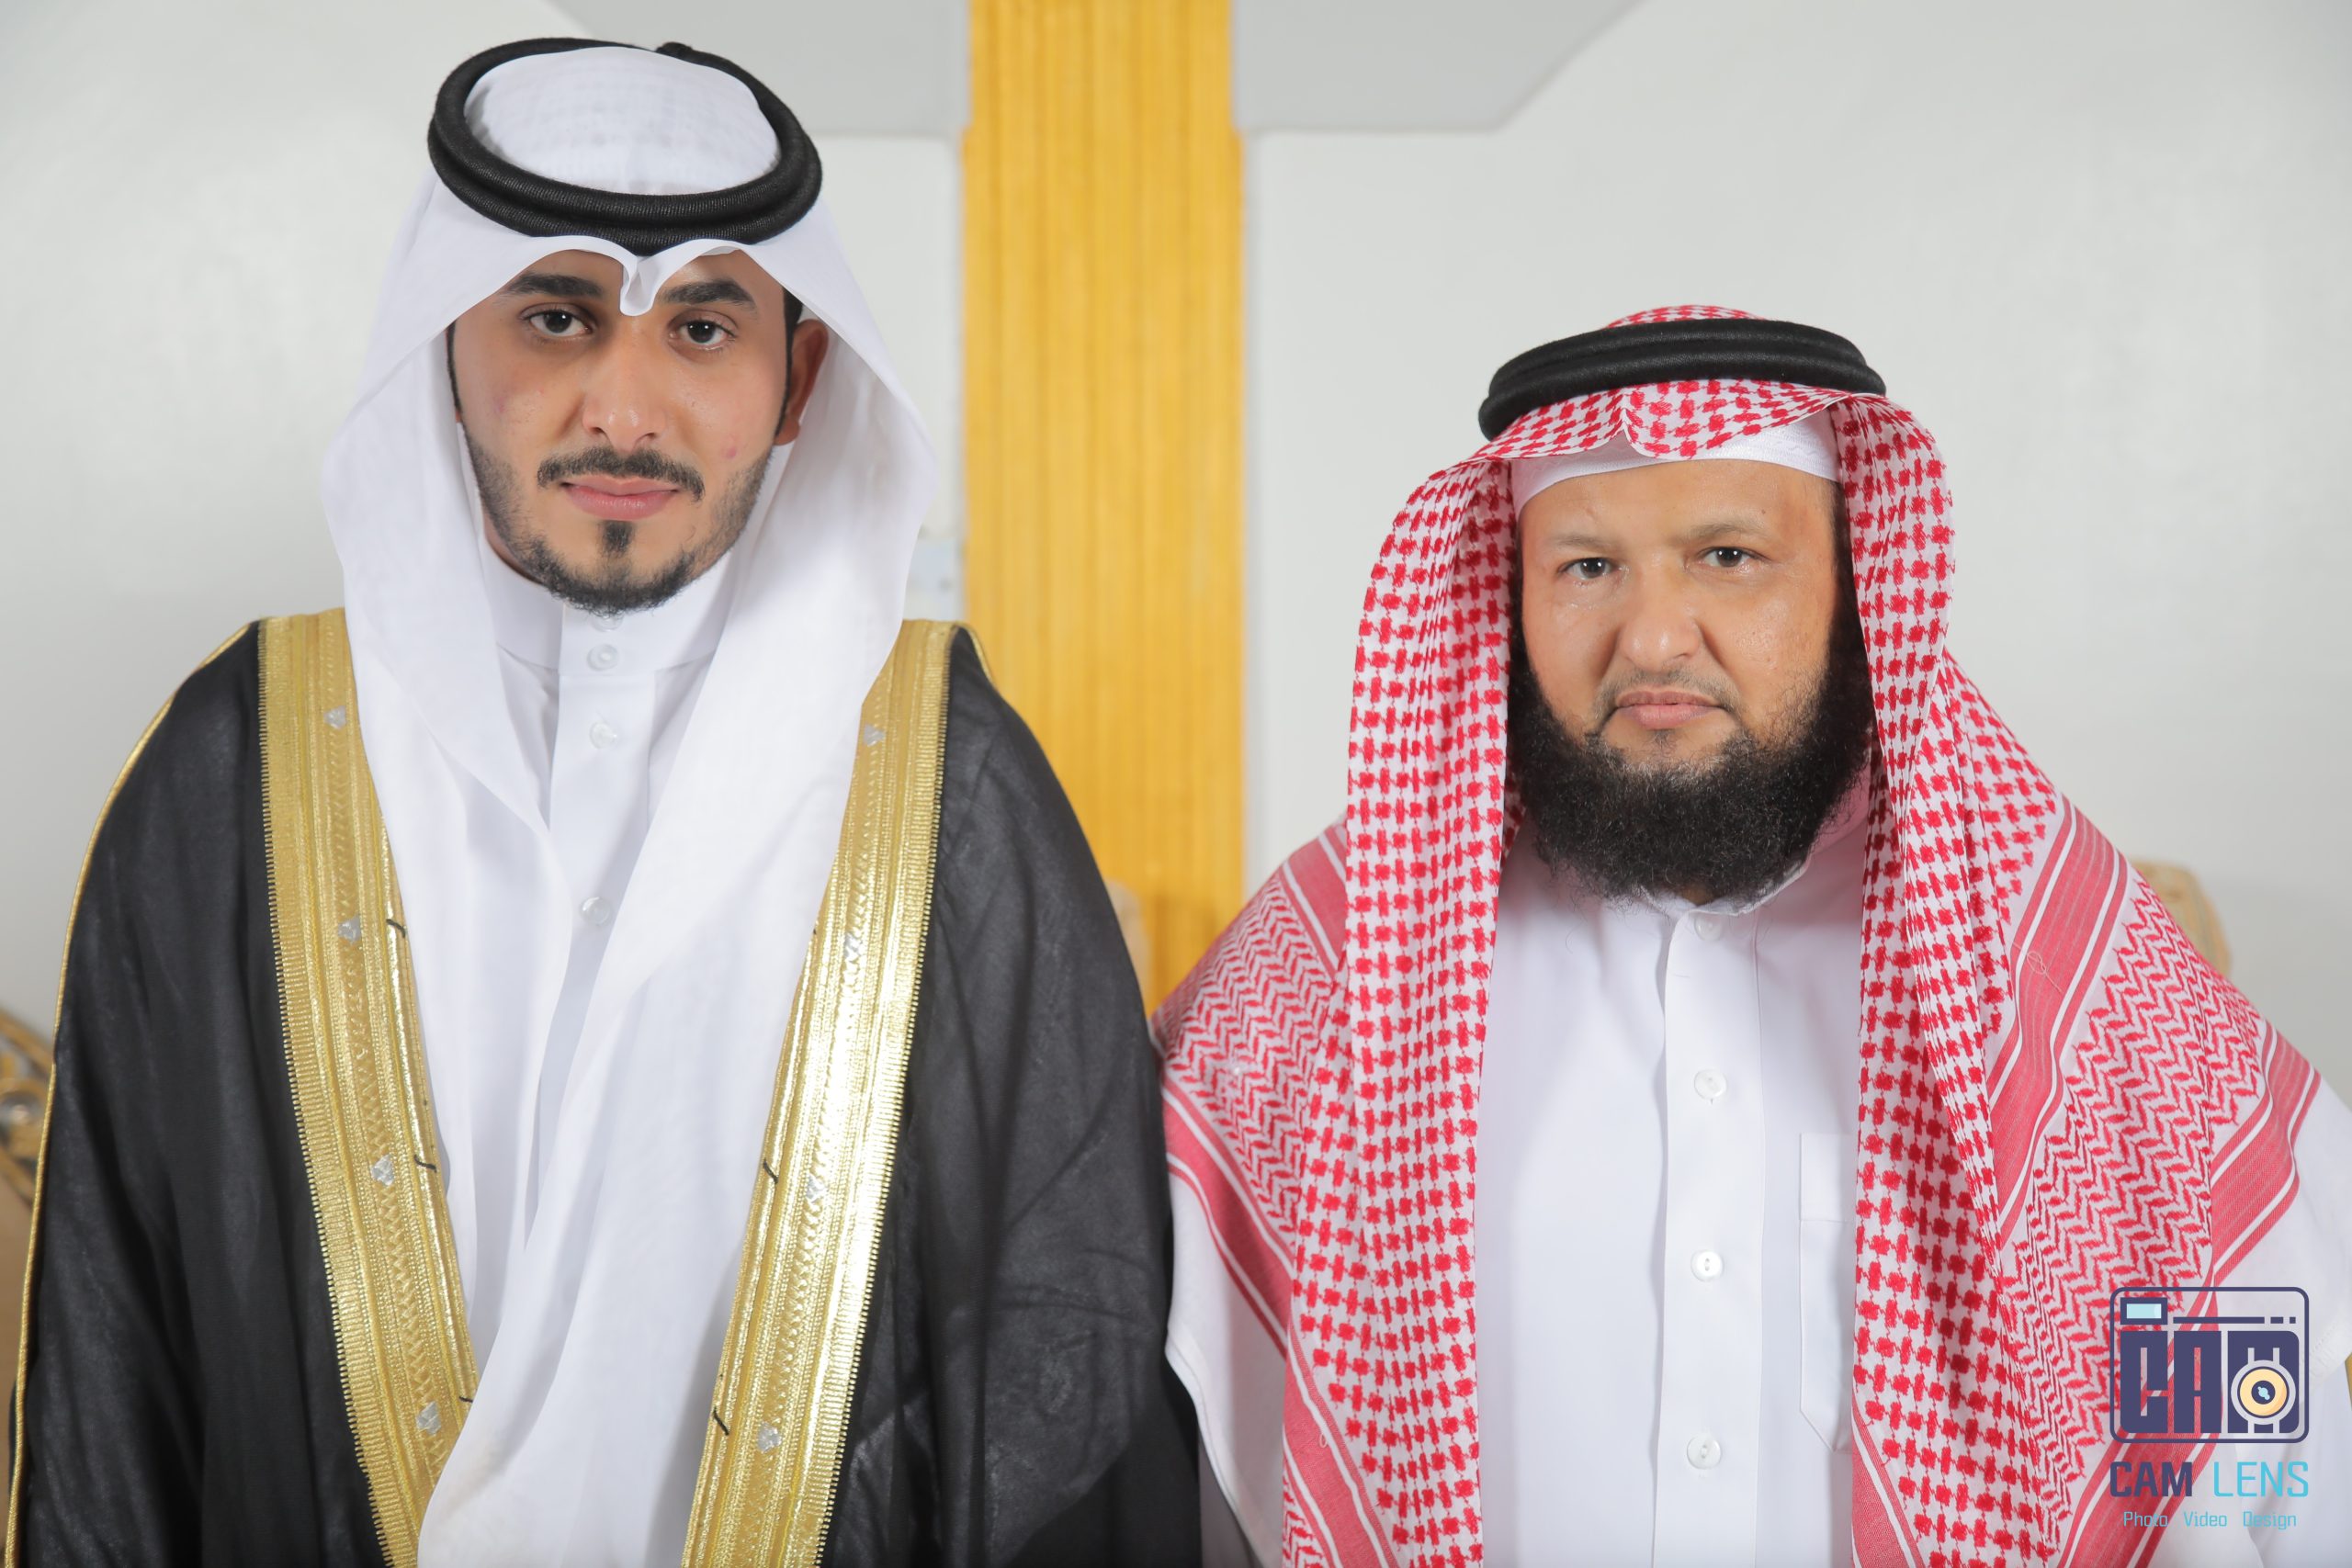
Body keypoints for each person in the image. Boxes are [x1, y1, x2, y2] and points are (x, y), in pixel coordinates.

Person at [10, 37, 1196, 1567]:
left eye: (702, 326)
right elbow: (116, 1401)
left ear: (798, 379)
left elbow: (1067, 1363)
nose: (624, 409)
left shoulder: (952, 790)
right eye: (557, 316)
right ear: (446, 342)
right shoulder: (233, 772)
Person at [1159, 306, 2352, 1566]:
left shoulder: (2070, 976)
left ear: (1859, 587)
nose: (1652, 638)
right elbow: (1179, 1429)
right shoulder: (1337, 968)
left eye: (1727, 556)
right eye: (1587, 567)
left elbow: (2266, 1485)